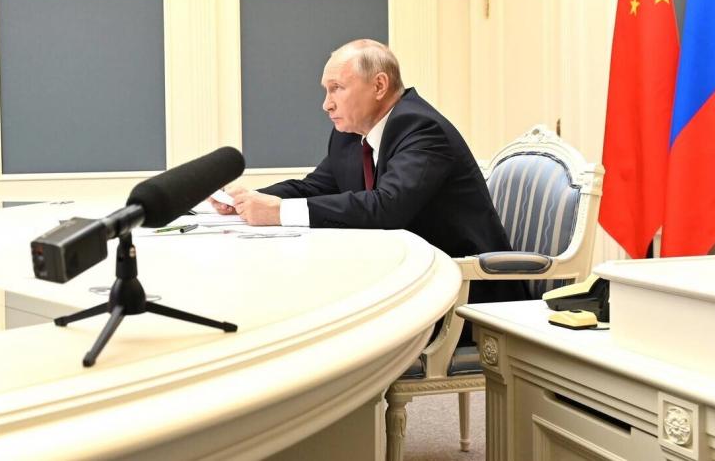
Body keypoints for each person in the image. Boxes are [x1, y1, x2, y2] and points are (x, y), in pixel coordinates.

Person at [219, 39, 527, 305]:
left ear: (379, 85)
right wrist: (250, 200)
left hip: (464, 292)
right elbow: (316, 187)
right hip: (406, 279)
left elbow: (387, 207)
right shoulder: (350, 134)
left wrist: (281, 211)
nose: (326, 104)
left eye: (336, 89)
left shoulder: (421, 128)